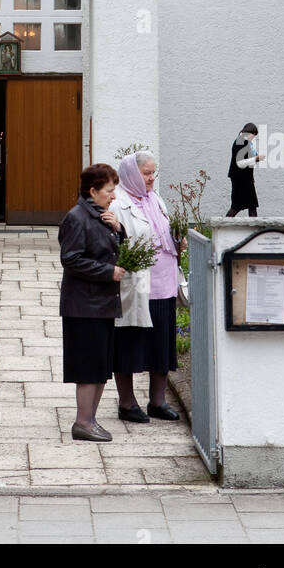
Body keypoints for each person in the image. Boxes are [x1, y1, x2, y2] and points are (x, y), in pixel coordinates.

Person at [112, 152, 182, 421]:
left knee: (161, 343)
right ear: (132, 174)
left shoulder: (156, 199)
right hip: (138, 283)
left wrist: (177, 242)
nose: (152, 178)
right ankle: (127, 404)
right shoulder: (118, 203)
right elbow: (116, 241)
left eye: (154, 173)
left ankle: (158, 401)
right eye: (146, 173)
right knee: (130, 341)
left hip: (164, 282)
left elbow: (161, 234)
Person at [58, 164, 126, 442]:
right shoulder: (77, 218)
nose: (113, 196)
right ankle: (83, 423)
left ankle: (91, 420)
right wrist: (107, 272)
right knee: (87, 366)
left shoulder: (101, 215)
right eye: (109, 191)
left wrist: (118, 229)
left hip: (101, 303)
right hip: (84, 306)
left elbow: (109, 247)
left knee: (100, 365)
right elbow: (71, 259)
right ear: (93, 191)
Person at [225, 121, 265, 218]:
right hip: (239, 179)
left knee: (252, 205)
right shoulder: (241, 142)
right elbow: (240, 163)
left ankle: (255, 229)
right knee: (237, 206)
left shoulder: (245, 142)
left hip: (246, 179)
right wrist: (256, 158)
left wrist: (252, 177)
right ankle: (222, 226)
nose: (253, 137)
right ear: (248, 132)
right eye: (253, 135)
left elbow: (247, 161)